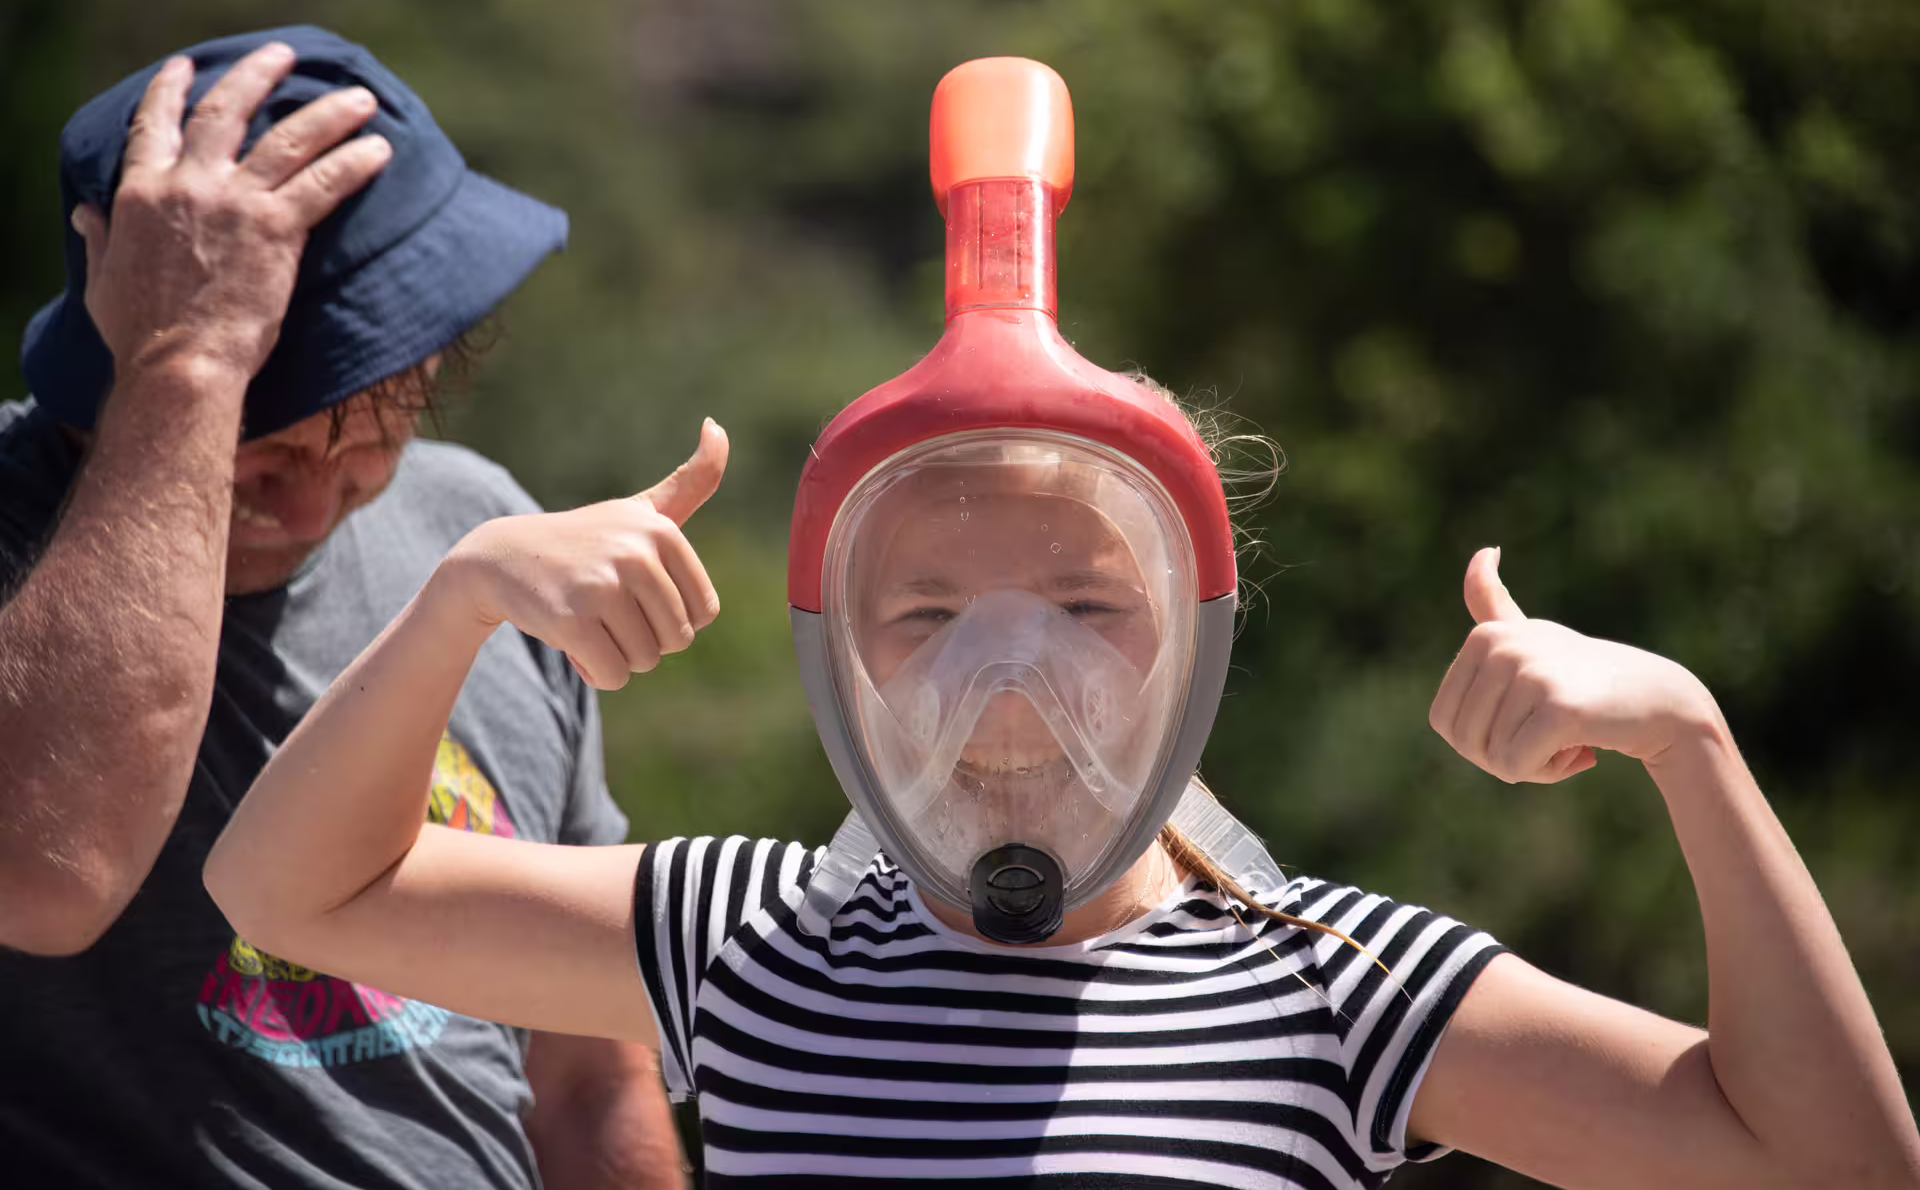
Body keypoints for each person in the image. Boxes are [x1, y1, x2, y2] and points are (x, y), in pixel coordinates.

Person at [203, 58, 1920, 1187]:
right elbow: (289, 891)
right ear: (840, 651)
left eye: (1087, 604)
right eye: (931, 609)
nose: (1003, 679)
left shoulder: (1331, 987)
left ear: (1195, 627)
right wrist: (467, 591)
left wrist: (1689, 742)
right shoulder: (751, 939)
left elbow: (1833, 1161)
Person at [0, 27, 686, 1188]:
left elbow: (584, 1074)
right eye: (259, 455)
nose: (315, 503)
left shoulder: (476, 523)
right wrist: (192, 359)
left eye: (368, 436)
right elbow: (41, 869)